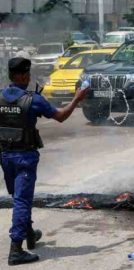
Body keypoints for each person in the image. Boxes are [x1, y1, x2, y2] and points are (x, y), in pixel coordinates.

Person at [0, 57, 88, 266]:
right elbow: (61, 116)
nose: (29, 78)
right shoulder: (33, 100)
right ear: (21, 76)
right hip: (24, 158)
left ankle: (29, 234)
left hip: (5, 156)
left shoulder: (1, 97)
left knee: (19, 196)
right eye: (28, 74)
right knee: (22, 200)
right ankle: (16, 250)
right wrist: (77, 98)